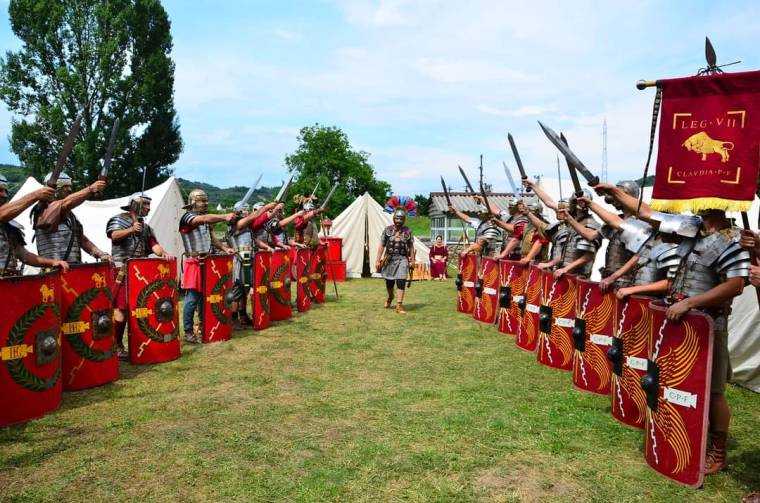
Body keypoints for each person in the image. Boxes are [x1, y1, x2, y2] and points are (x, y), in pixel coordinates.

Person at [594, 182, 750, 475]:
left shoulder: (733, 240)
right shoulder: (691, 230)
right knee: (674, 380)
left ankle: (717, 448)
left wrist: (691, 302)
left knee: (713, 390)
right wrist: (614, 192)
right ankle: (680, 430)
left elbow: (735, 285)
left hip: (708, 323)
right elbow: (648, 213)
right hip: (679, 318)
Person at [107, 193, 174, 360]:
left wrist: (164, 254)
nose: (148, 208)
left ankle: (140, 342)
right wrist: (130, 230)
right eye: (145, 204)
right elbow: (113, 235)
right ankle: (117, 344)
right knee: (120, 308)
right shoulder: (119, 219)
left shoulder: (145, 226)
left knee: (141, 307)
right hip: (120, 270)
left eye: (149, 205)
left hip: (139, 273)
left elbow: (153, 245)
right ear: (135, 204)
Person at [179, 189, 236, 344]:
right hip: (194, 263)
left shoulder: (205, 220)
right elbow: (202, 219)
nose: (204, 203)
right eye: (201, 200)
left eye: (205, 200)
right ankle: (189, 331)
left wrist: (224, 248)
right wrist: (224, 216)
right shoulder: (187, 217)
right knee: (192, 298)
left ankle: (204, 325)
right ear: (192, 202)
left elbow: (212, 239)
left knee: (207, 297)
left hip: (208, 262)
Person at [524, 179, 601, 279]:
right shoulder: (571, 221)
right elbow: (549, 202)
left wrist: (566, 269)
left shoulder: (590, 224)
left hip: (578, 277)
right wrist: (533, 186)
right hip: (563, 273)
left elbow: (588, 256)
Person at [30, 172, 110, 263]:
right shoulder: (43, 210)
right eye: (66, 186)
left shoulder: (70, 215)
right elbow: (66, 203)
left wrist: (101, 254)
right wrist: (90, 189)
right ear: (56, 189)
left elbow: (82, 240)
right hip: (53, 270)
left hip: (72, 268)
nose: (70, 189)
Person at [0, 173, 69, 276]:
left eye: (5, 190)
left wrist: (52, 262)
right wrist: (36, 195)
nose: (4, 195)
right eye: (0, 190)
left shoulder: (9, 226)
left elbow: (24, 255)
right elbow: (2, 213)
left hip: (9, 283)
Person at [227, 200, 276, 327]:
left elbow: (254, 241)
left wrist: (267, 247)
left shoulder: (247, 226)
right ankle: (233, 319)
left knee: (246, 290)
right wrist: (265, 208)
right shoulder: (236, 224)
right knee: (237, 291)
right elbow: (253, 217)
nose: (247, 212)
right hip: (240, 261)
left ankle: (243, 316)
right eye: (245, 210)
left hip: (249, 259)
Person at [375, 207, 415, 313]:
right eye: (397, 218)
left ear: (404, 219)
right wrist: (377, 260)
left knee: (401, 280)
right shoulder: (388, 230)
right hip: (389, 259)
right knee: (389, 282)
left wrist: (412, 261)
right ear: (394, 218)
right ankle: (390, 297)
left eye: (401, 219)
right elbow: (381, 246)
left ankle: (399, 305)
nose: (399, 221)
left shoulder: (407, 231)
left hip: (402, 259)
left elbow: (411, 247)